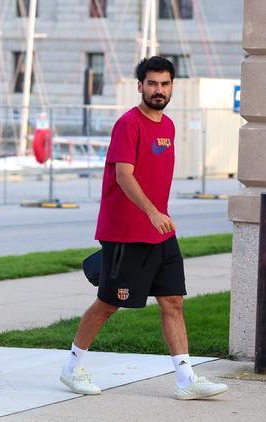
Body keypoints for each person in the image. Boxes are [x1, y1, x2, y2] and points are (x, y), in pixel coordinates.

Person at [58, 56, 228, 400]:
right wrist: (152, 212)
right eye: (152, 83)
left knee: (173, 302)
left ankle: (186, 379)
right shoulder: (128, 124)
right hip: (126, 231)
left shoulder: (168, 126)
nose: (158, 90)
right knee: (108, 303)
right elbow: (124, 174)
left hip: (160, 231)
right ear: (140, 86)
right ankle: (72, 369)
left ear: (172, 87)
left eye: (165, 84)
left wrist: (157, 216)